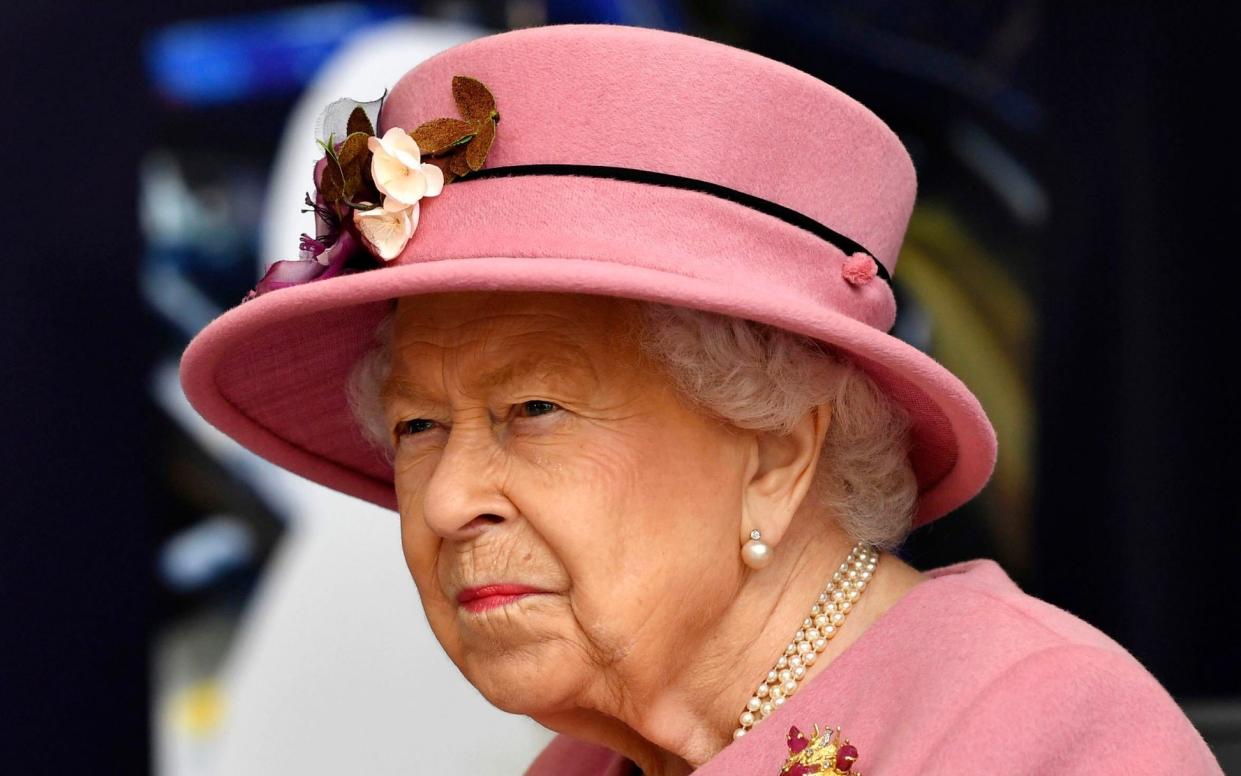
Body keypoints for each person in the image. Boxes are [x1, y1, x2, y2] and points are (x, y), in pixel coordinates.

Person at [179, 23, 1223, 776]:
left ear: (773, 448)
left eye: (533, 409)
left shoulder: (1033, 734)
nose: (448, 501)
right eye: (416, 425)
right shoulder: (583, 766)